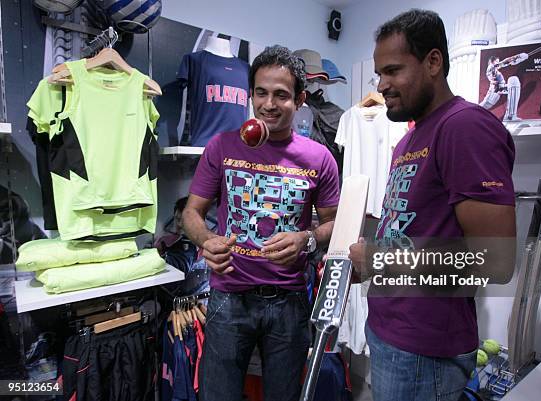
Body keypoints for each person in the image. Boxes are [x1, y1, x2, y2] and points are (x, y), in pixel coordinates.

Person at [348, 9, 516, 401]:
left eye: (393, 71)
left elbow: (496, 261)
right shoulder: (409, 140)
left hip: (427, 353)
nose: (382, 85)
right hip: (391, 333)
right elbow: (415, 230)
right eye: (379, 74)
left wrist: (378, 261)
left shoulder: (464, 128)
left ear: (433, 62)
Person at [182, 45, 340, 401]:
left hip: (289, 303)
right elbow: (191, 213)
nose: (269, 104)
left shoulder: (319, 158)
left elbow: (334, 224)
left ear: (299, 99)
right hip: (228, 299)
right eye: (261, 93)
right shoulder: (221, 147)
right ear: (251, 94)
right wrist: (206, 240)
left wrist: (307, 239)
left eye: (281, 95)